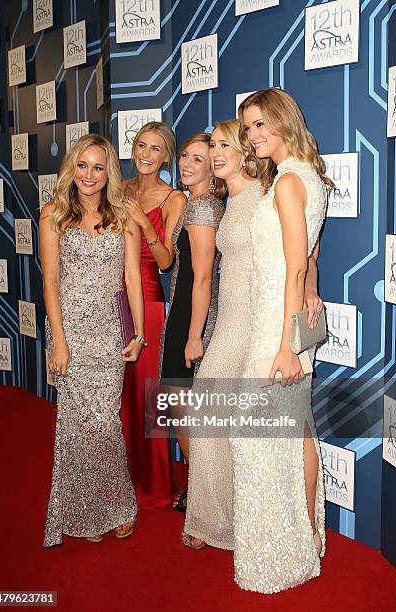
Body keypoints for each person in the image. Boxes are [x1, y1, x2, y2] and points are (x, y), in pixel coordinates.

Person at [182, 118, 324, 553]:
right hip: (232, 320)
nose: (214, 154)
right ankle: (214, 519)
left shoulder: (269, 192)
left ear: (246, 151)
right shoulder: (226, 203)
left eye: (224, 145)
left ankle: (260, 524)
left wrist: (311, 290)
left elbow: (305, 247)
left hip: (263, 320)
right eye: (212, 147)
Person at [232, 87, 334, 592]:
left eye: (258, 124)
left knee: (262, 439)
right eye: (247, 128)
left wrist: (286, 347)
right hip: (283, 320)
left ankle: (288, 547)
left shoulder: (290, 180)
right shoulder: (307, 177)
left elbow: (296, 264)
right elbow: (310, 256)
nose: (252, 136)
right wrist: (309, 291)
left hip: (278, 327)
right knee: (294, 432)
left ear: (282, 121)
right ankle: (306, 538)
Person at [40, 134, 144, 547]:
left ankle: (117, 504)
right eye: (82, 165)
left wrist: (138, 333)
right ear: (72, 168)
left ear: (109, 173)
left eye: (98, 167)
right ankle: (86, 509)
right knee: (77, 425)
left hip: (108, 333)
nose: (89, 175)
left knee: (103, 422)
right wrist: (60, 342)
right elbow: (50, 282)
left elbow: (132, 278)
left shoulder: (122, 216)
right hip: (70, 332)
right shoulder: (54, 214)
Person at [121, 121, 187, 509]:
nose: (145, 154)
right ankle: (119, 479)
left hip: (148, 298)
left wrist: (145, 224)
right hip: (112, 298)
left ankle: (153, 486)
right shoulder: (119, 188)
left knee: (148, 399)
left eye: (155, 149)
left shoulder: (173, 198)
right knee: (120, 396)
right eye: (140, 145)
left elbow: (165, 261)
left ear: (166, 157)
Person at [159, 132, 225, 512]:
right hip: (183, 308)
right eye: (185, 156)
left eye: (198, 159)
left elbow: (202, 277)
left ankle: (204, 494)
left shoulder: (202, 208)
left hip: (191, 312)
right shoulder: (194, 203)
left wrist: (194, 335)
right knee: (176, 403)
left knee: (181, 404)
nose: (186, 164)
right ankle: (202, 490)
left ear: (212, 168)